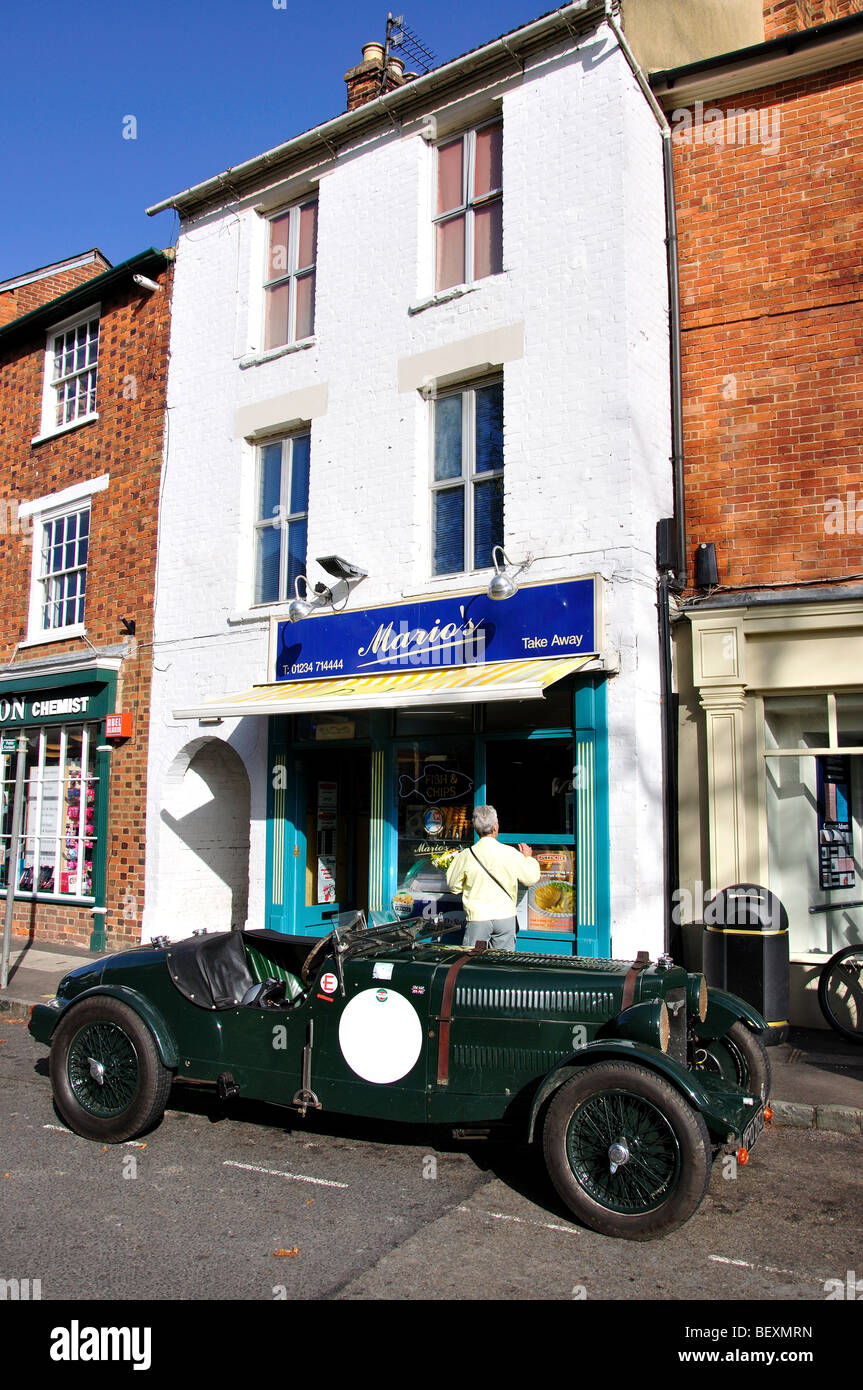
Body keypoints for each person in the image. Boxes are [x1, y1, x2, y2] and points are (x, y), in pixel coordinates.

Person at [445, 804, 540, 952]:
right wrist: (528, 858)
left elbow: (453, 886)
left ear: (476, 829)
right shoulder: (510, 853)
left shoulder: (465, 856)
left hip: (478, 919)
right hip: (505, 918)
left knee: (473, 964)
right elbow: (531, 878)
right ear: (495, 827)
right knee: (502, 965)